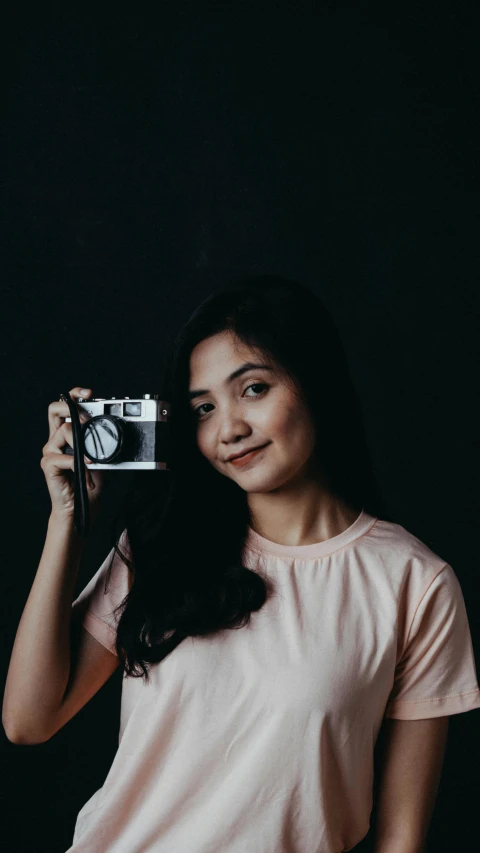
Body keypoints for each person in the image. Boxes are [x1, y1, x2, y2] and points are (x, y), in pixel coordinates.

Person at [3, 275, 480, 853]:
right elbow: (29, 720)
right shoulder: (159, 546)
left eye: (253, 389)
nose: (228, 429)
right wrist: (68, 526)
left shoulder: (414, 583)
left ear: (315, 384)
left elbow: (401, 837)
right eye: (203, 407)